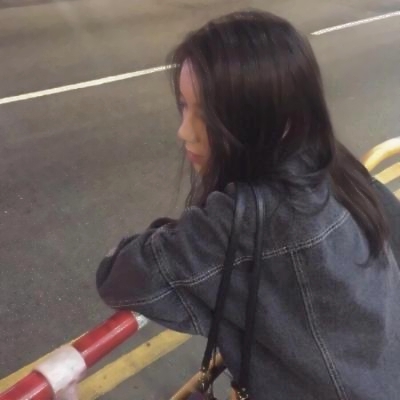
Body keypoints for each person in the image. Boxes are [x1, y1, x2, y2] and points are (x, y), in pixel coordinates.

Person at [96, 10, 400, 400]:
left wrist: (192, 227)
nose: (184, 131)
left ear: (267, 117)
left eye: (208, 115)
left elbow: (119, 276)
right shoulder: (333, 166)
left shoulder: (248, 220)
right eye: (184, 106)